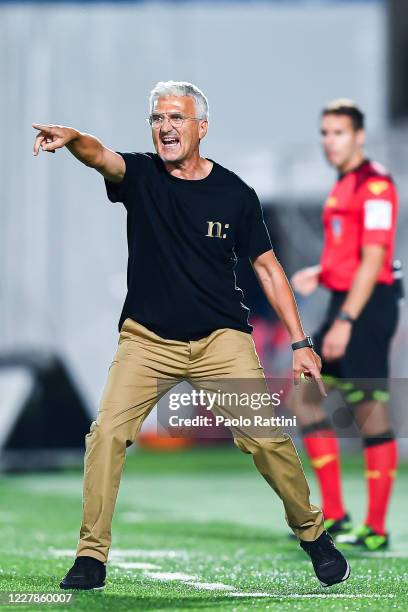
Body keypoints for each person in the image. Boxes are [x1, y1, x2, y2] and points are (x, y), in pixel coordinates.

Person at [33, 81, 349, 590]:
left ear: (202, 128)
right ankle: (91, 557)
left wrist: (300, 342)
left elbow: (267, 268)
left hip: (219, 340)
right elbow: (101, 157)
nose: (165, 127)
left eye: (177, 118)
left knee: (266, 438)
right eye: (157, 118)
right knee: (107, 435)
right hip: (147, 341)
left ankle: (313, 534)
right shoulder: (140, 175)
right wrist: (73, 139)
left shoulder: (234, 194)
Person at [291, 99, 399, 551]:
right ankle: (335, 514)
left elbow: (374, 258)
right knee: (306, 399)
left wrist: (347, 321)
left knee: (368, 410)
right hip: (345, 298)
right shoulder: (344, 184)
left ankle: (375, 527)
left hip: (367, 306)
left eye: (337, 132)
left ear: (359, 136)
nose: (328, 142)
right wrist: (323, 270)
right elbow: (351, 250)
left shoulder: (375, 187)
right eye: (324, 132)